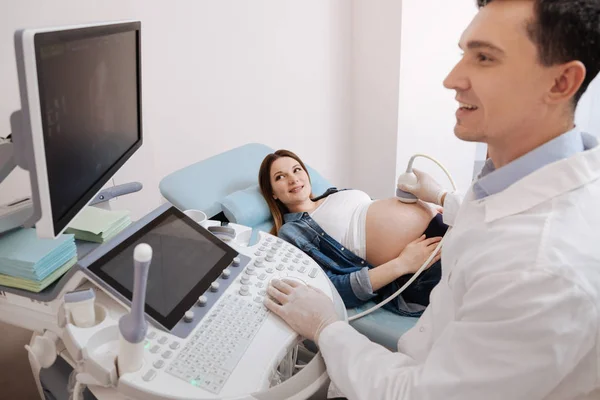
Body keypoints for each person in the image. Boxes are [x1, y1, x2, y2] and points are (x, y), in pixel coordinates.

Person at [264, 1, 600, 399]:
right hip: (420, 273)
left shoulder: (540, 271)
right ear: (273, 194)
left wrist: (326, 328)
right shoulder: (509, 180)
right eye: (464, 53)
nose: (452, 78)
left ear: (560, 83)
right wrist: (439, 197)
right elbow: (487, 217)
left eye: (485, 57)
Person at [258, 150, 447, 316]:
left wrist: (428, 208)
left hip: (442, 226)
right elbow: (331, 288)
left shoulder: (335, 193)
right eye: (280, 177)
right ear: (273, 192)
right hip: (420, 267)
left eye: (297, 169)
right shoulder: (292, 232)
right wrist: (403, 264)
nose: (293, 179)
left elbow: (374, 211)